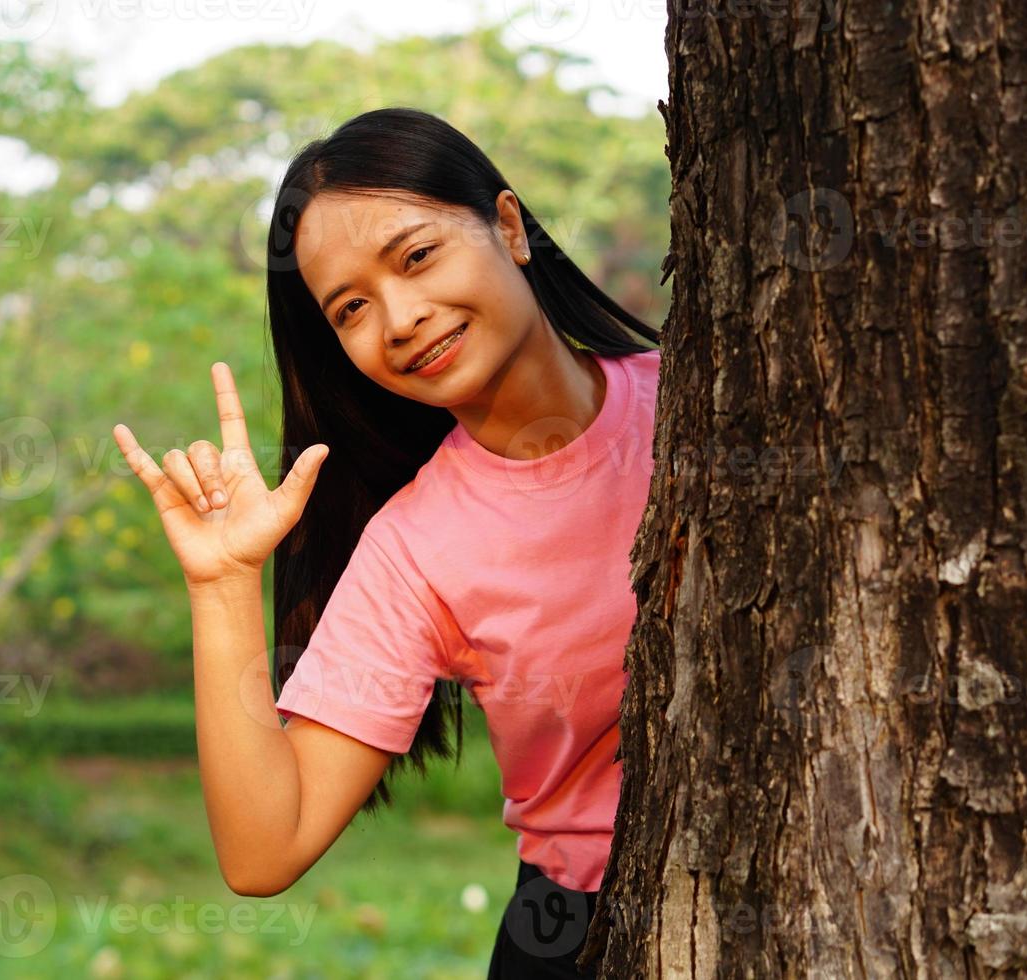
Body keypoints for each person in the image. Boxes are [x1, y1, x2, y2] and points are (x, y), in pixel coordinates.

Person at [112, 106, 661, 978]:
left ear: (509, 226)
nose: (399, 317)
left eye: (417, 256)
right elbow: (266, 851)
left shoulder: (703, 396)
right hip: (585, 935)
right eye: (352, 308)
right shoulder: (414, 548)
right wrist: (222, 584)